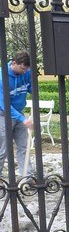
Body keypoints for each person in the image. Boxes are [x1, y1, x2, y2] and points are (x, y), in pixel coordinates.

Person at [0, 50, 33, 179]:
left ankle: (27, 177)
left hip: (20, 114)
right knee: (3, 149)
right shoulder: (2, 77)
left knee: (24, 147)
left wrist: (34, 90)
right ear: (14, 63)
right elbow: (4, 104)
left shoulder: (27, 72)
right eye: (22, 68)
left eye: (26, 69)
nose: (24, 71)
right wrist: (22, 119)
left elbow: (31, 88)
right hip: (3, 116)